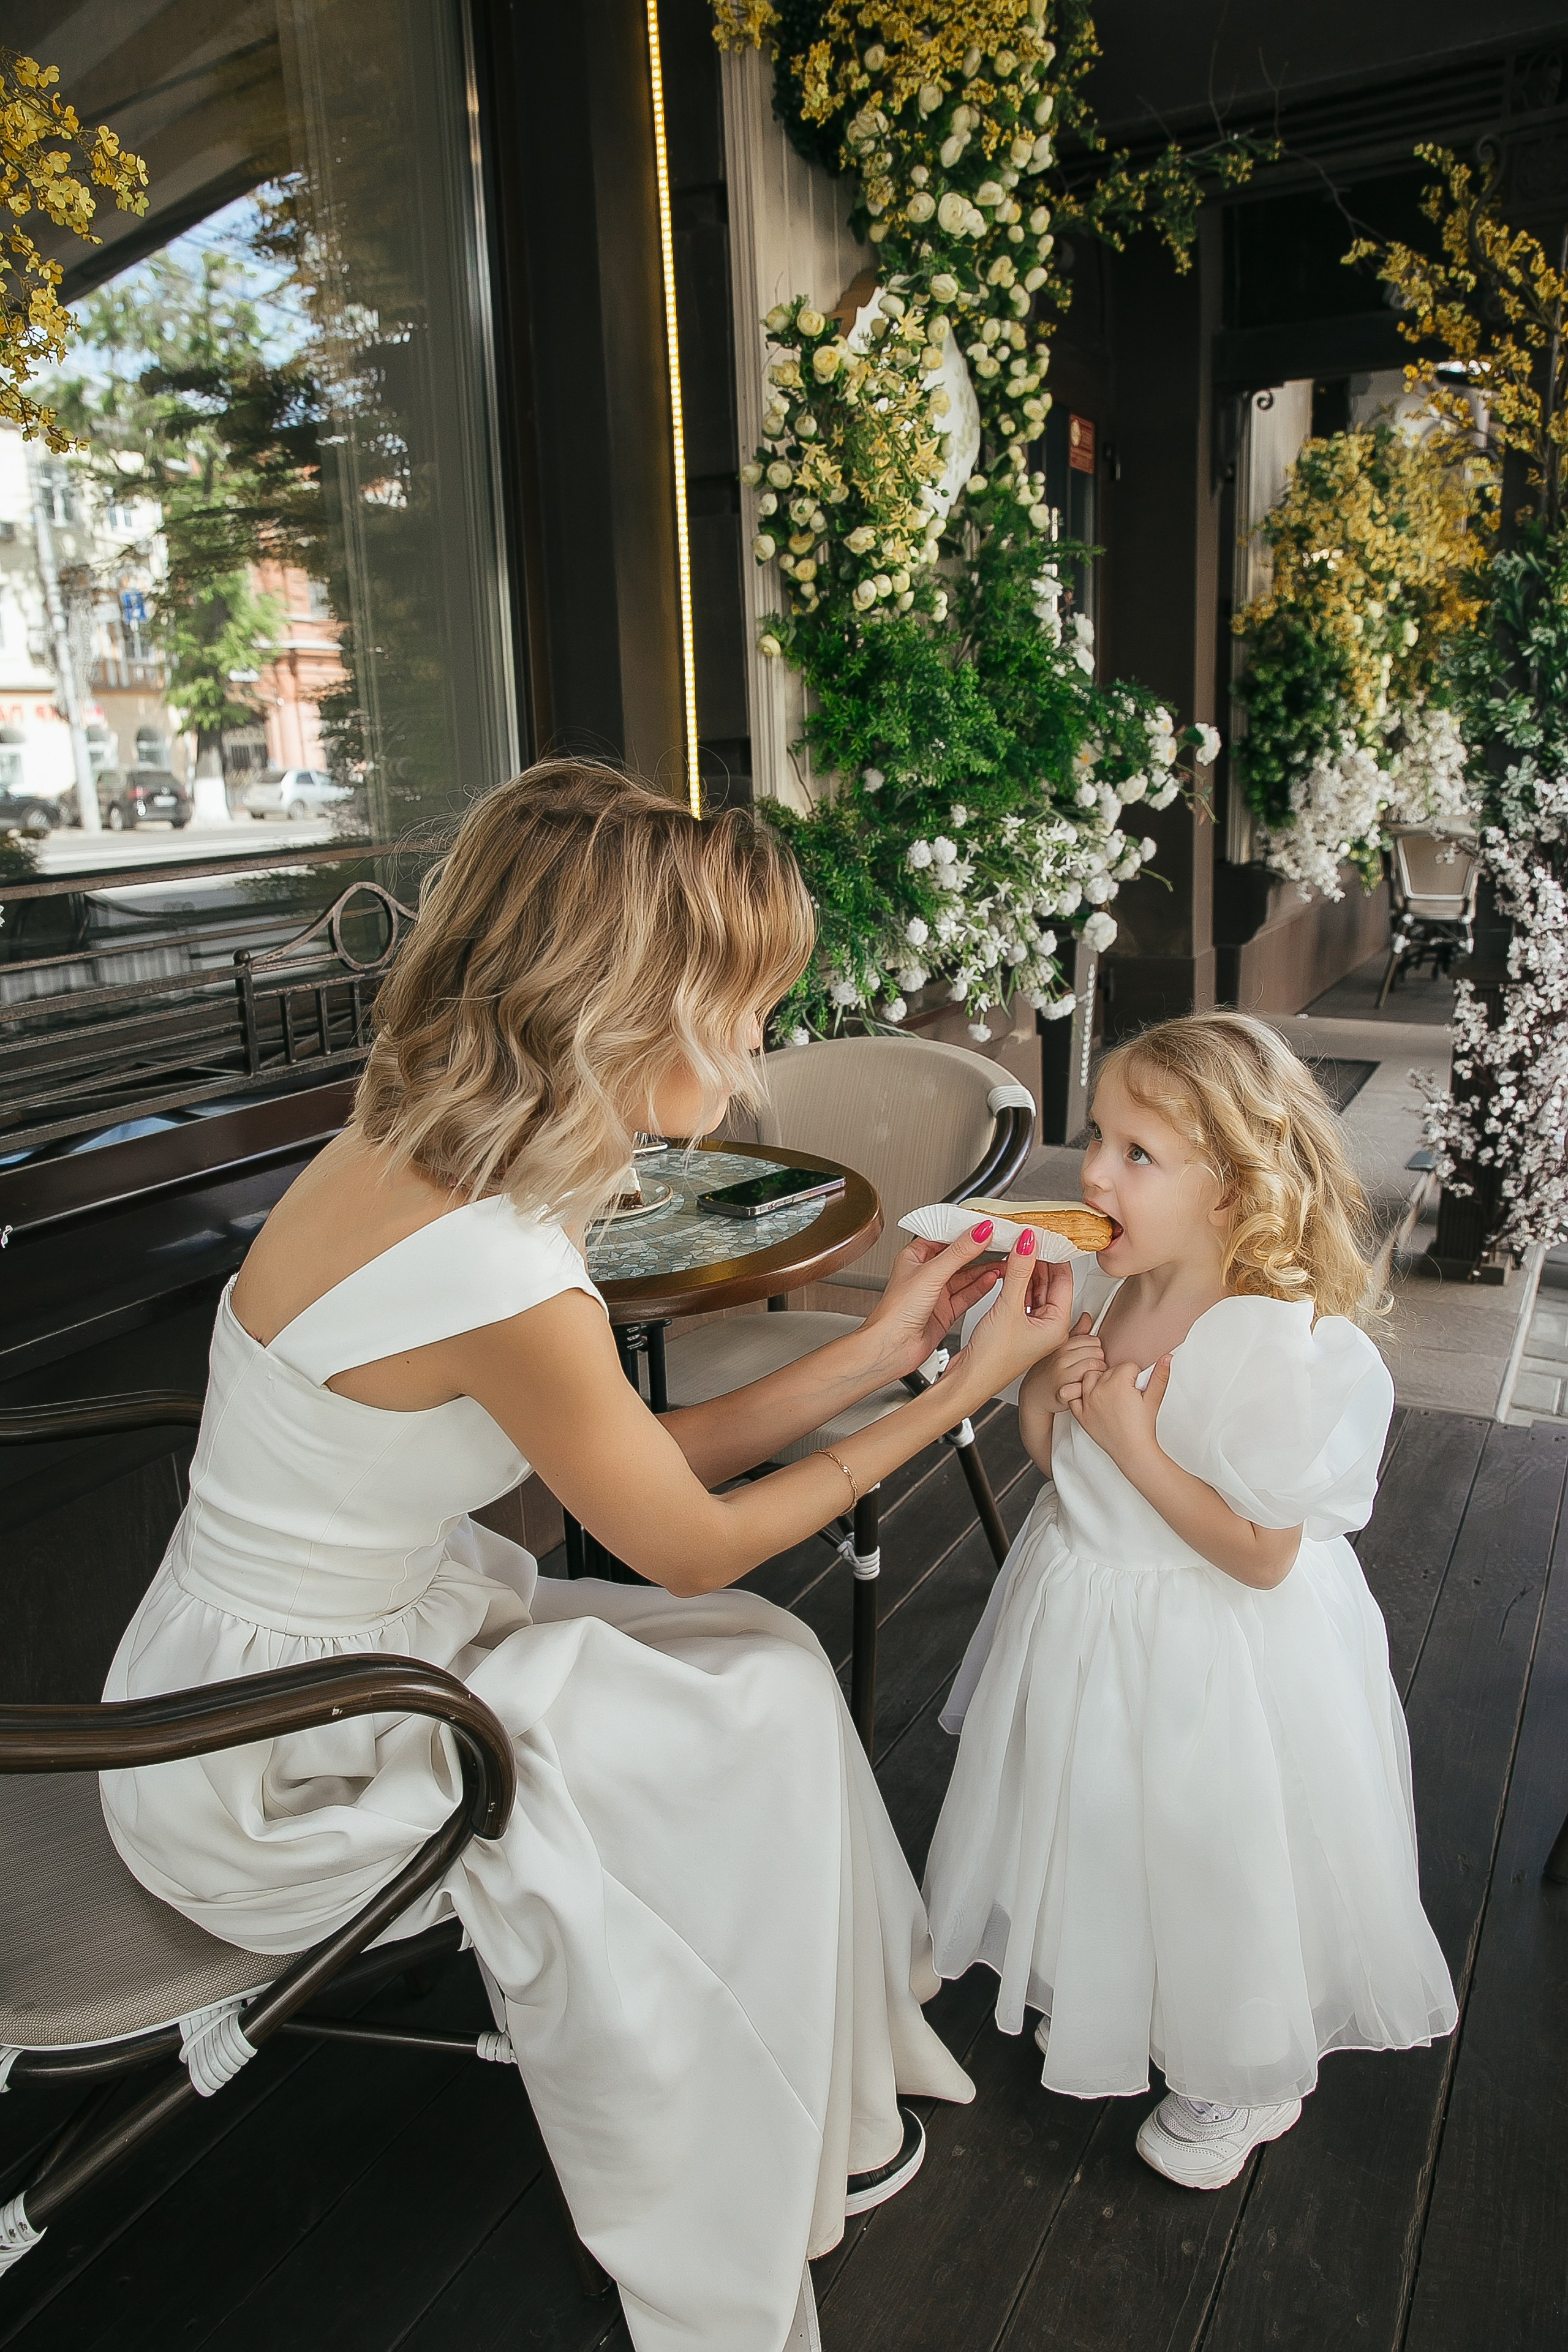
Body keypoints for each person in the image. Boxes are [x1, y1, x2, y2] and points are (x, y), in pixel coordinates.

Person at [100, 762, 1076, 2352]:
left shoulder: (428, 1149)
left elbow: (629, 1475)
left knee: (763, 1664)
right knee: (749, 1691)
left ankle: (834, 2089)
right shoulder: (491, 1260)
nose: (760, 1053)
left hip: (274, 1649)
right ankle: (770, 2137)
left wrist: (885, 1344)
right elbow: (681, 1544)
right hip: (265, 1745)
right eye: (745, 1007)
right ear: (632, 1006)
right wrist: (953, 1396)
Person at [923, 1012, 1457, 2191]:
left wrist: (1134, 1435)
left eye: (1137, 1154)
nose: (1096, 1174)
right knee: (1102, 1820)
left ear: (1234, 1190)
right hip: (1089, 1615)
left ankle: (1242, 2067)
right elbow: (1058, 1463)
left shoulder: (1266, 1341)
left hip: (1211, 1650)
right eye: (1099, 1139)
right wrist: (1049, 1390)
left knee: (1213, 1849)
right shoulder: (1126, 1289)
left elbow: (1263, 1554)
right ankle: (1118, 1983)